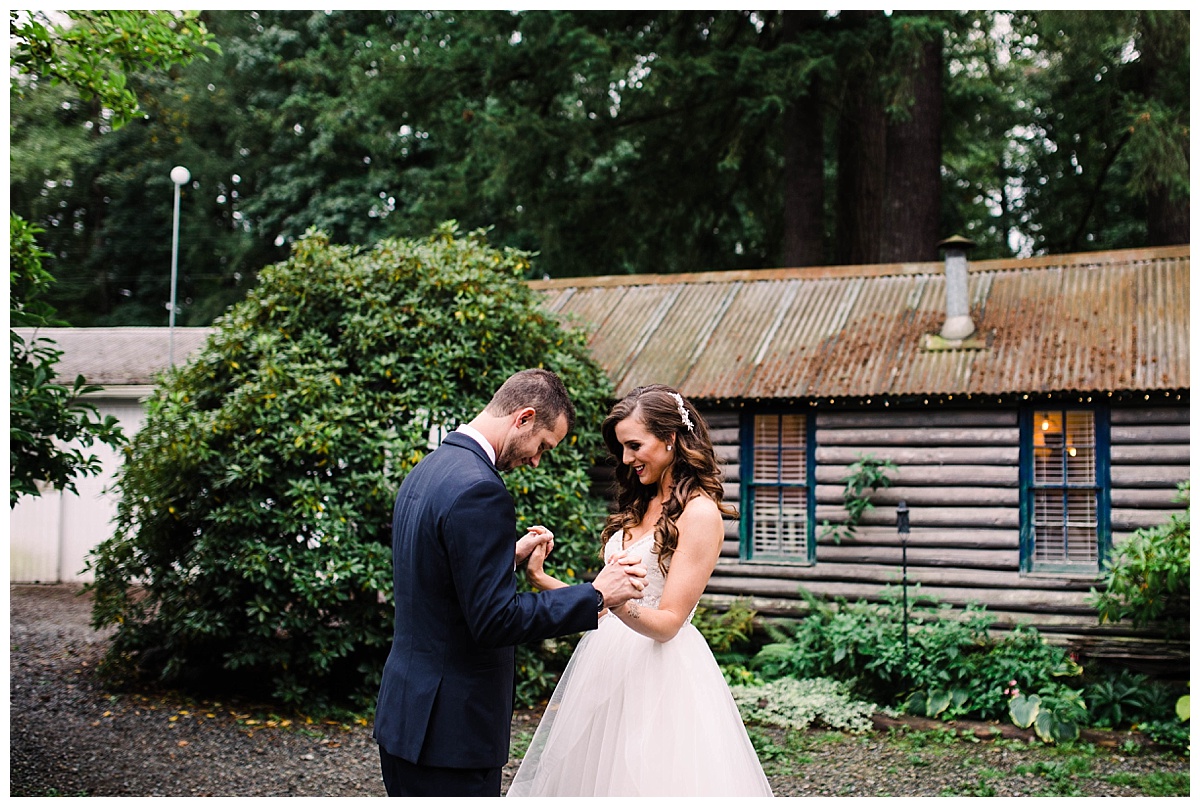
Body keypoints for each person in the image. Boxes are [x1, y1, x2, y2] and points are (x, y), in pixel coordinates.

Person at [373, 369, 647, 798]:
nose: (536, 460)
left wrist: (505, 558)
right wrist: (596, 594)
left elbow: (435, 576)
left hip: (406, 717)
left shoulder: (430, 469)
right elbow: (495, 620)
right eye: (542, 446)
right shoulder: (482, 490)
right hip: (451, 735)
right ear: (523, 417)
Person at [508, 384, 774, 797]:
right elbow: (602, 601)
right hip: (607, 664)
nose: (628, 459)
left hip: (659, 673)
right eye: (623, 449)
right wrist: (543, 579)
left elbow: (668, 623)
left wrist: (615, 601)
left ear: (670, 439)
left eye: (634, 445)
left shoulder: (700, 514)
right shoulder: (642, 503)